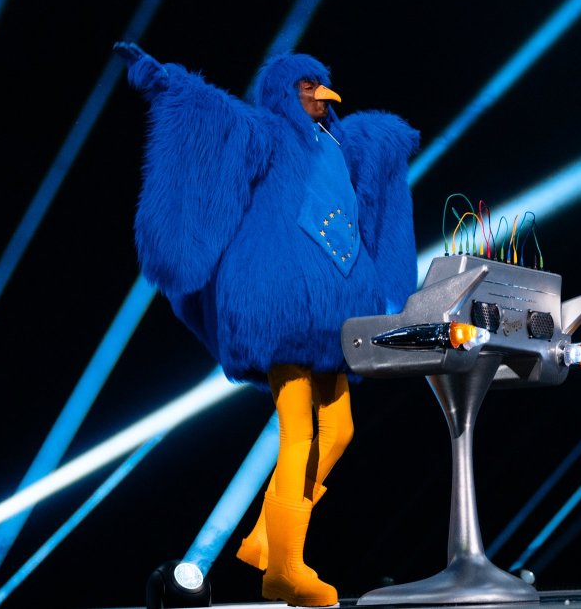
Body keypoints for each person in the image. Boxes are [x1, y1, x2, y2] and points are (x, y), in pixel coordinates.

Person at [115, 42, 419, 606]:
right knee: (298, 436)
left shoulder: (336, 145)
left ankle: (265, 536)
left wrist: (386, 140)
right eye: (307, 90)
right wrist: (166, 79)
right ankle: (284, 568)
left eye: (321, 91)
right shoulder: (265, 133)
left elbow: (368, 186)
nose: (319, 100)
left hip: (336, 314)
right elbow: (213, 117)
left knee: (342, 431)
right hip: (283, 308)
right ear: (285, 91)